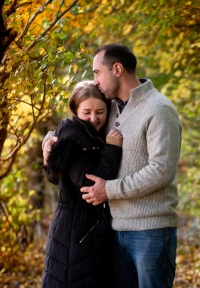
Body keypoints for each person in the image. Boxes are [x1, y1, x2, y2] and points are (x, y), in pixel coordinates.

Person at [43, 43, 182, 288]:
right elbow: (78, 127)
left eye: (97, 72)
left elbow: (162, 171)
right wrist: (48, 141)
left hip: (150, 230)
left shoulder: (159, 110)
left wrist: (110, 189)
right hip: (115, 230)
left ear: (117, 69)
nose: (94, 81)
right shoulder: (113, 109)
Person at [41, 81, 123, 288]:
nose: (94, 118)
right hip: (77, 228)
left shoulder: (87, 134)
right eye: (87, 112)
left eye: (100, 112)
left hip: (81, 225)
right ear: (75, 110)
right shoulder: (74, 138)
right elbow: (88, 185)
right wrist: (112, 151)